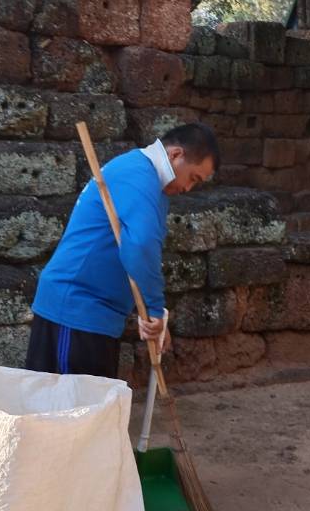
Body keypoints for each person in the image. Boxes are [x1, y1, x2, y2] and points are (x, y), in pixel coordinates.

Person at [25, 122, 220, 379]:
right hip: (75, 308)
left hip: (95, 314)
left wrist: (155, 314)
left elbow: (142, 250)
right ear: (175, 155)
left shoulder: (148, 182)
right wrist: (152, 307)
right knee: (67, 412)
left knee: (92, 410)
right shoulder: (138, 175)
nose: (188, 188)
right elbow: (139, 245)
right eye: (193, 178)